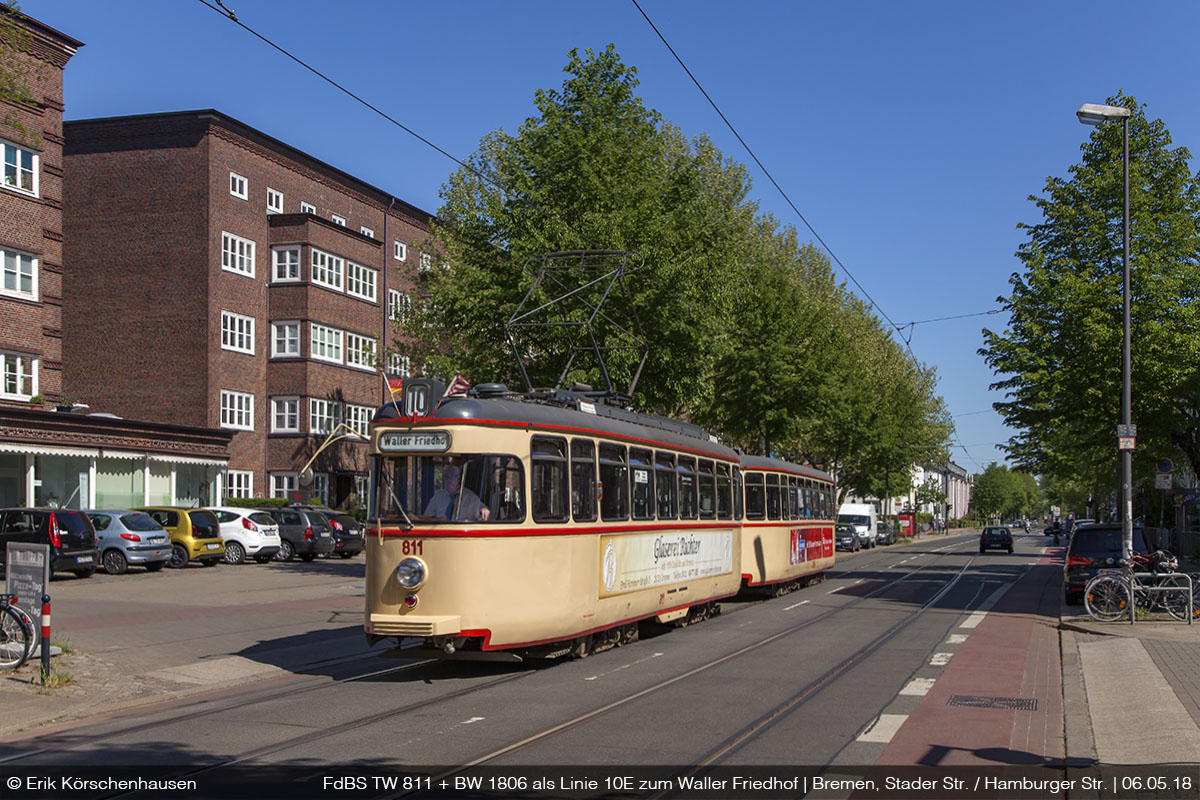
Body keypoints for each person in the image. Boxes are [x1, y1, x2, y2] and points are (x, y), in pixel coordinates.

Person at [423, 464, 490, 521]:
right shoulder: (437, 498)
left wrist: (484, 510)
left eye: (453, 477)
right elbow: (425, 518)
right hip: (441, 530)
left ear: (459, 479)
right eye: (447, 477)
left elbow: (484, 511)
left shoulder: (470, 497)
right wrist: (436, 519)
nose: (449, 481)